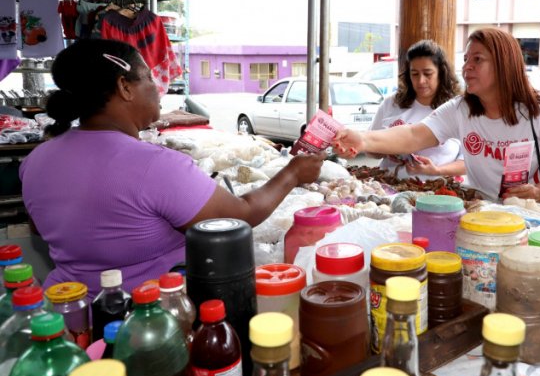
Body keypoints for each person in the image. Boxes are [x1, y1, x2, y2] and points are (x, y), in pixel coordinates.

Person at [20, 39, 324, 298]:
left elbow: (40, 227)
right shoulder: (151, 165)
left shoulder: (36, 160)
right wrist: (293, 173)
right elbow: (240, 216)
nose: (158, 89)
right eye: (149, 78)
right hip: (145, 318)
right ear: (124, 87)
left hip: (64, 309)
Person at [333, 28, 540, 201]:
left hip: (526, 214)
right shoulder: (462, 108)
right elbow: (412, 135)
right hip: (478, 205)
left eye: (478, 59)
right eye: (466, 59)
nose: (467, 67)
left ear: (505, 65)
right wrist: (363, 139)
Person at [368, 39, 465, 180]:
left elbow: (468, 163)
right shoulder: (391, 103)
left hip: (436, 190)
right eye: (415, 74)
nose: (421, 81)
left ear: (441, 73)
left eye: (428, 73)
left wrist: (437, 170)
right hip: (387, 187)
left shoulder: (457, 108)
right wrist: (385, 148)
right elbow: (371, 149)